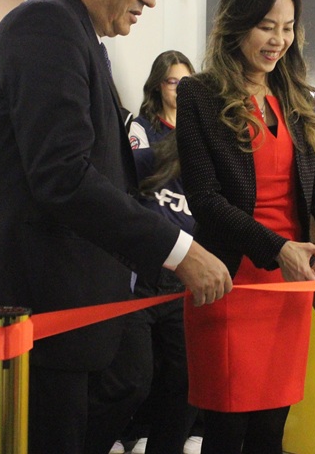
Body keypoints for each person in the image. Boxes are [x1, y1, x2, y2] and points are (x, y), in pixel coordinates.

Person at [0, 0, 232, 454]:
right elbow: (64, 176)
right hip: (25, 315)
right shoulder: (47, 27)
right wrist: (178, 250)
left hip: (59, 319)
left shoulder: (73, 33)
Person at [175, 0, 315, 454]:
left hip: (288, 286)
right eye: (268, 26)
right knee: (227, 435)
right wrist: (279, 248)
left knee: (270, 432)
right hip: (229, 282)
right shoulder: (198, 94)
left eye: (288, 28)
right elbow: (205, 198)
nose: (279, 40)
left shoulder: (293, 98)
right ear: (238, 23)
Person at [112, 51, 202, 454]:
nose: (180, 92)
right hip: (145, 267)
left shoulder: (205, 132)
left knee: (184, 379)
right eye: (172, 83)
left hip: (188, 271)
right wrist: (187, 146)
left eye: (188, 84)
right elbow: (138, 174)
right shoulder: (141, 127)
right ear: (157, 86)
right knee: (133, 378)